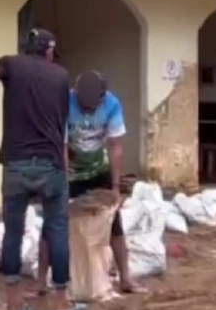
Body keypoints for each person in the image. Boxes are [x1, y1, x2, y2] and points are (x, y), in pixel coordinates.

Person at [0, 28, 86, 310]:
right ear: (49, 50)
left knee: (13, 233)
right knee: (57, 231)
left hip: (16, 164)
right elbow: (61, 128)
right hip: (50, 164)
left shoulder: (10, 63)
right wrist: (63, 165)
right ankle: (60, 302)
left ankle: (14, 305)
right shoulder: (60, 76)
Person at [36, 70, 145, 295]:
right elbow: (63, 148)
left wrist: (115, 187)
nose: (88, 111)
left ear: (102, 98)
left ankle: (125, 278)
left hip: (98, 170)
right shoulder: (63, 103)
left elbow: (115, 147)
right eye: (85, 107)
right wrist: (63, 185)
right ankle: (40, 282)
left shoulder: (112, 105)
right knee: (52, 224)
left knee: (115, 222)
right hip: (68, 170)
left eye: (93, 107)